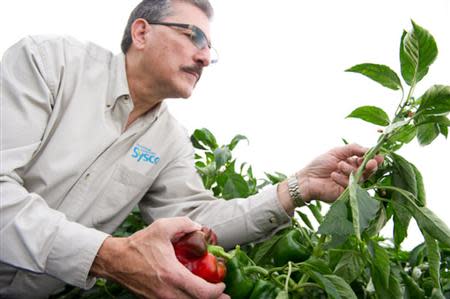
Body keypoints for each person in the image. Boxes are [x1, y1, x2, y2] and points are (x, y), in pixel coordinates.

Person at [0, 0, 383, 298]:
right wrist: (110, 256)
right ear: (141, 32)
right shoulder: (49, 63)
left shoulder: (168, 139)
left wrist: (300, 187)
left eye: (209, 49)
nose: (204, 57)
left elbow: (198, 221)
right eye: (193, 36)